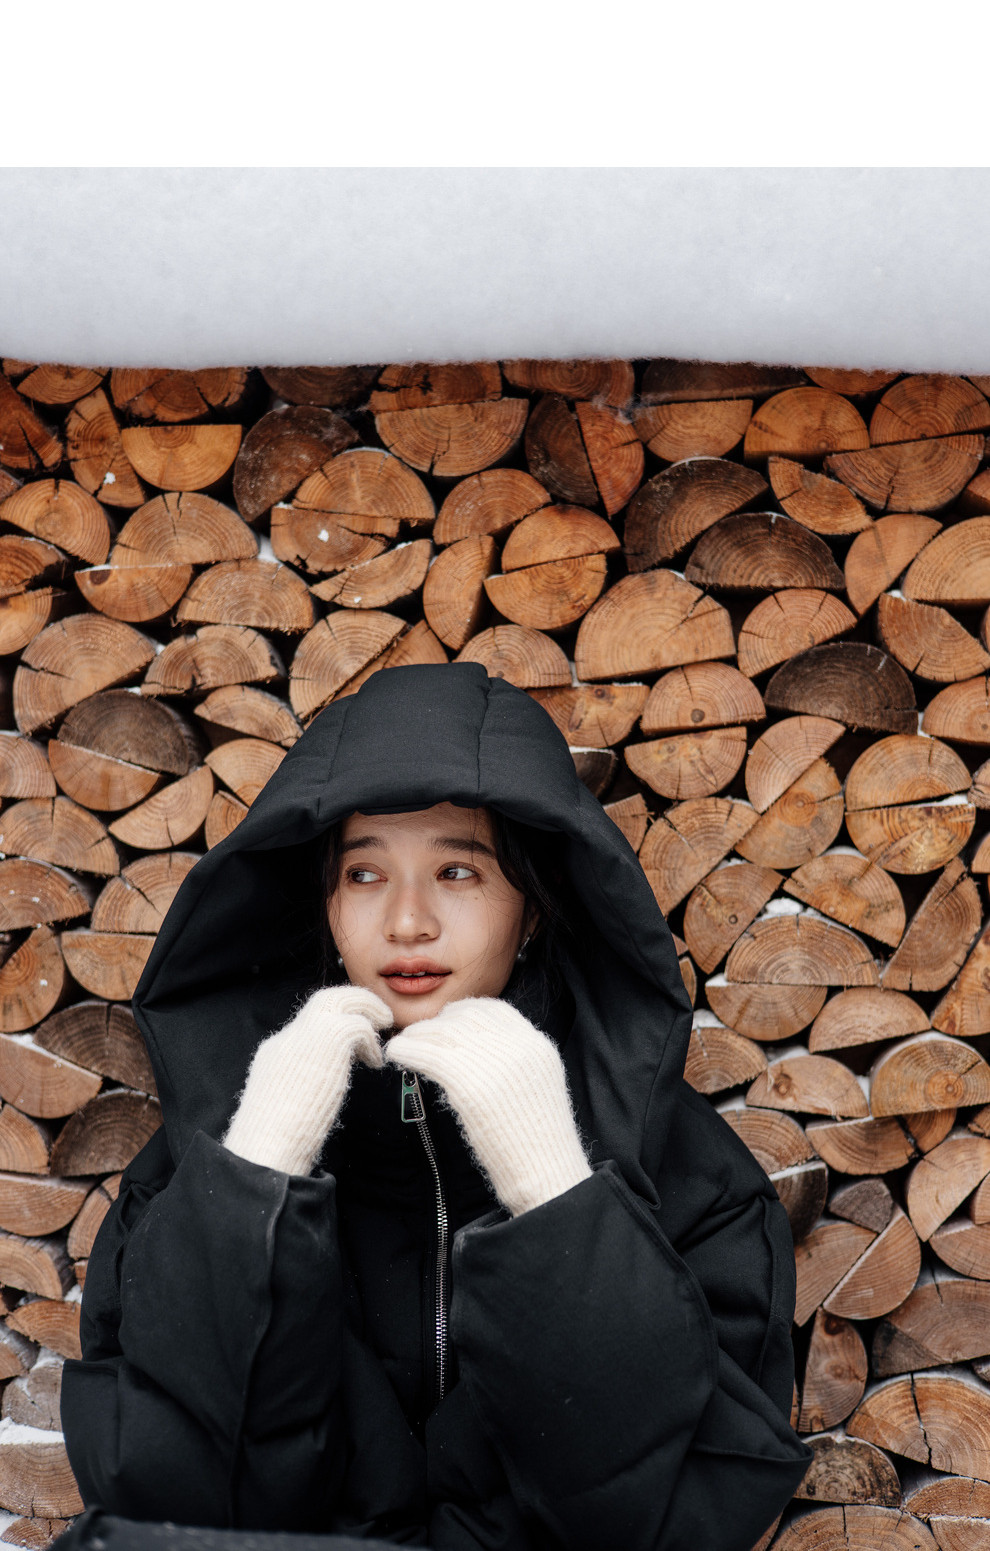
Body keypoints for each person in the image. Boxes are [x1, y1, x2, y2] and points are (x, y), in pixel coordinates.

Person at [58, 661, 811, 1551]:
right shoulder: (201, 1162)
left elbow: (681, 1517)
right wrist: (254, 1177)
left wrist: (557, 1195)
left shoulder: (690, 1175)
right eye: (364, 874)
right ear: (325, 905)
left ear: (533, 909)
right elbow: (159, 1494)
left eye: (457, 870)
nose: (407, 921)